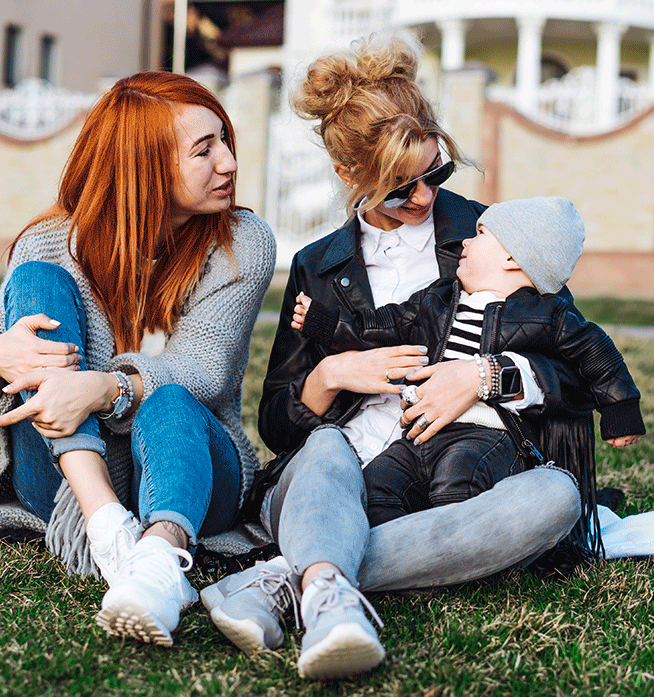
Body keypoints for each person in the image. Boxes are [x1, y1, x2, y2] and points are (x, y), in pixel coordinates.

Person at [199, 35, 602, 680]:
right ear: (349, 178)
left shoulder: (488, 233)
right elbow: (277, 423)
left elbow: (576, 364)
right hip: (337, 478)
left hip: (462, 476)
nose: (422, 198)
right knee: (326, 451)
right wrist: (331, 375)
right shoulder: (317, 266)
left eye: (434, 173)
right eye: (396, 187)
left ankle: (290, 579)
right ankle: (327, 584)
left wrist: (485, 376)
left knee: (556, 497)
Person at [0, 72, 275, 648]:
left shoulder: (241, 242)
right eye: (204, 150)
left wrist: (105, 388)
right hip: (69, 484)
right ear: (144, 165)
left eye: (225, 142)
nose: (229, 162)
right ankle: (108, 527)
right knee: (37, 280)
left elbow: (205, 374)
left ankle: (160, 559)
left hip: (193, 469)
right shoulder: (52, 243)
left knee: (171, 399)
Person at [292, 196, 644, 526]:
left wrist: (620, 410)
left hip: (488, 436)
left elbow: (597, 355)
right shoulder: (440, 299)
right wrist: (326, 323)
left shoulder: (547, 314)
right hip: (420, 436)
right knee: (378, 484)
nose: (465, 242)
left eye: (479, 234)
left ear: (512, 258)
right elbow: (387, 323)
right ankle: (394, 550)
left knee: (458, 483)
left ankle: (455, 555)